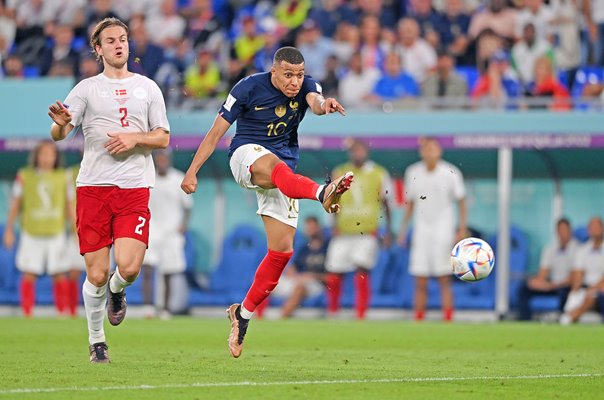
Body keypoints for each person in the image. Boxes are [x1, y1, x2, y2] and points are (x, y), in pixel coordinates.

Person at [180, 46, 354, 358]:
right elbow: (216, 132)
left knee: (281, 252)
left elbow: (315, 103)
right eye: (288, 75)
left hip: (283, 172)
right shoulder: (247, 88)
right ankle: (322, 193)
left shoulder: (308, 87)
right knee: (276, 167)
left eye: (299, 75)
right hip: (246, 156)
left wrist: (324, 104)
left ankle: (242, 315)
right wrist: (192, 171)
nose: (294, 82)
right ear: (273, 72)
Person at [47, 17, 170, 363]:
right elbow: (61, 131)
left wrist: (135, 138)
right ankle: (96, 340)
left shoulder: (148, 88)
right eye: (111, 41)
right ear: (98, 50)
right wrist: (59, 126)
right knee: (96, 273)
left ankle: (118, 291)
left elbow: (162, 137)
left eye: (123, 39)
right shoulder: (87, 88)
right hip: (93, 188)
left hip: (133, 188)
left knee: (128, 269)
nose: (119, 45)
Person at [3, 140, 74, 317]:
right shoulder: (25, 175)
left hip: (55, 232)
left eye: (50, 154)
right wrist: (9, 229)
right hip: (31, 233)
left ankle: (62, 312)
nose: (46, 158)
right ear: (36, 156)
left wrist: (76, 229)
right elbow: (15, 204)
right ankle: (27, 312)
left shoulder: (63, 177)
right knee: (29, 273)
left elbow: (69, 205)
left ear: (56, 157)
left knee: (59, 272)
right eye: (43, 154)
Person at [398, 137, 466, 322]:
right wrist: (403, 230)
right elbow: (410, 204)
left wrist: (461, 229)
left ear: (439, 151)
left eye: (433, 149)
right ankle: (419, 318)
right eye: (427, 149)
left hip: (443, 231)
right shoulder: (412, 172)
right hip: (421, 232)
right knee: (420, 279)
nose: (430, 153)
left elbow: (461, 201)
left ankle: (448, 318)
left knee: (444, 278)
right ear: (422, 152)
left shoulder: (451, 172)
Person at [325, 139, 392, 320]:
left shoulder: (379, 173)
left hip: (366, 232)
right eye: (354, 151)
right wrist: (332, 224)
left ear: (367, 152)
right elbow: (332, 200)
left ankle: (361, 314)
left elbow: (386, 203)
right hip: (343, 230)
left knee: (362, 270)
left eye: (361, 150)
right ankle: (333, 312)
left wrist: (388, 230)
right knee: (334, 272)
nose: (358, 154)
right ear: (350, 153)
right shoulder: (339, 171)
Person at [141, 148, 193, 319]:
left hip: (172, 232)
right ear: (155, 160)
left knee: (169, 272)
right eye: (159, 158)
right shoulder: (148, 178)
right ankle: (148, 307)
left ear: (169, 159)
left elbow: (187, 206)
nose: (162, 161)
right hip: (151, 230)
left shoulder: (178, 178)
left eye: (165, 158)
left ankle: (165, 309)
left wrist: (183, 225)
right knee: (148, 269)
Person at [517, 218, 579, 321]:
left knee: (565, 293)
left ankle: (562, 320)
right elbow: (543, 272)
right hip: (551, 285)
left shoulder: (577, 249)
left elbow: (574, 277)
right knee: (523, 289)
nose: (563, 233)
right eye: (560, 230)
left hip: (565, 285)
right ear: (557, 232)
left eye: (565, 230)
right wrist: (540, 283)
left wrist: (555, 285)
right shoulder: (550, 249)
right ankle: (526, 320)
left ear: (570, 231)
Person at [271, 216, 329, 318]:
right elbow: (292, 268)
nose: (311, 230)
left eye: (313, 227)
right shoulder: (304, 249)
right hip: (299, 279)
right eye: (308, 228)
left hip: (317, 283)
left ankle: (282, 317)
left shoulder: (326, 248)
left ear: (318, 228)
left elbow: (331, 276)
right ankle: (257, 316)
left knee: (300, 288)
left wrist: (311, 276)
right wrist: (293, 274)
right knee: (269, 282)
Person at [560, 217, 604, 325]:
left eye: (596, 227)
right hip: (585, 288)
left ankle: (572, 316)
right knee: (573, 296)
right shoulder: (582, 250)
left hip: (600, 288)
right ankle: (570, 315)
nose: (594, 230)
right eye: (591, 228)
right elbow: (578, 275)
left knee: (593, 295)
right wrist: (575, 292)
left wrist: (593, 289)